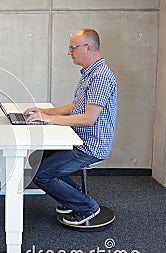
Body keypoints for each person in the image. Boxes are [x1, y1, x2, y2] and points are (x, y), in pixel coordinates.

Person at [24, 28, 118, 225]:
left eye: (72, 48)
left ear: (89, 47)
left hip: (90, 146)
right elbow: (77, 107)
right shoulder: (90, 73)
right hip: (78, 139)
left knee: (42, 174)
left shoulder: (100, 77)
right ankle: (73, 199)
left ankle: (86, 207)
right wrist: (46, 111)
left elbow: (88, 118)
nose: (69, 52)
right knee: (37, 159)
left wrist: (48, 120)